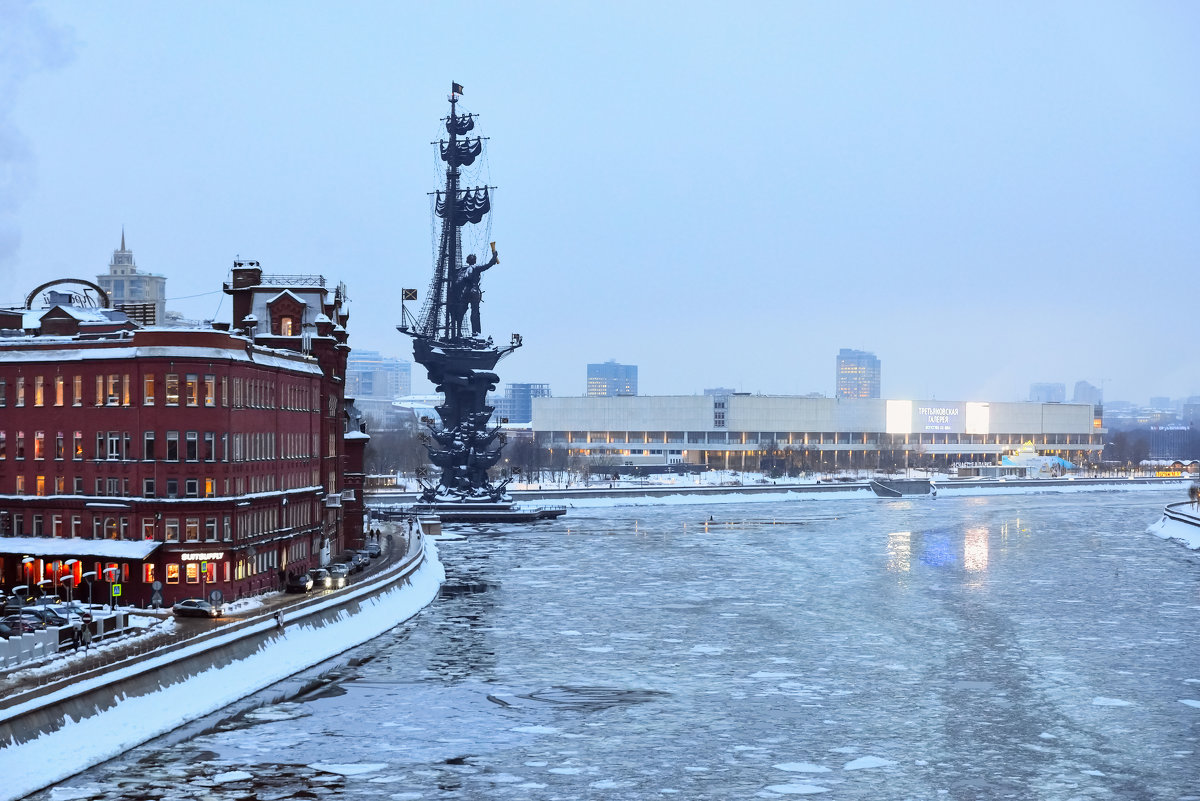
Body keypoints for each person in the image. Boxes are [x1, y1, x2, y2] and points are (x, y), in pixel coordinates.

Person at [448, 249, 499, 336]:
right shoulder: (476, 267)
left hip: (464, 291)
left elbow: (454, 278)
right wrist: (494, 257)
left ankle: (459, 332)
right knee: (475, 313)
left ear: (467, 261)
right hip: (474, 291)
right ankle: (476, 332)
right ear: (474, 260)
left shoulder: (461, 270)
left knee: (461, 312)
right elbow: (488, 265)